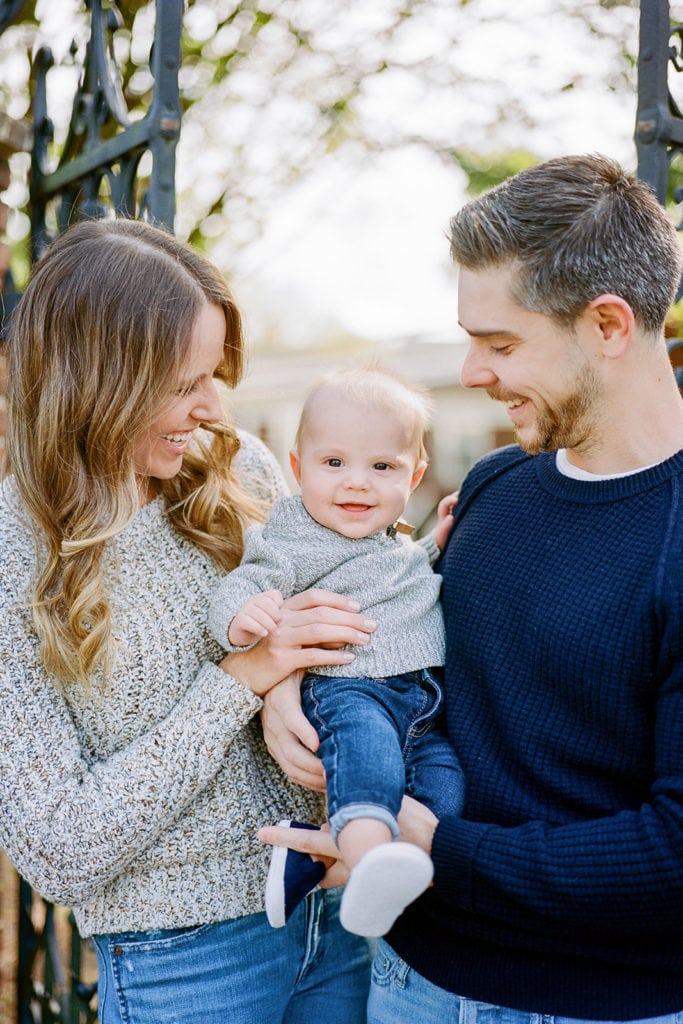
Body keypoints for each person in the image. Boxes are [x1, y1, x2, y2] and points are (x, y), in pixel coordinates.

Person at [258, 153, 683, 1023]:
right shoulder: (494, 485)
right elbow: (423, 668)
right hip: (410, 979)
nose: (474, 370)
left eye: (499, 342)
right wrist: (287, 686)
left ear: (607, 325)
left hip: (596, 1006)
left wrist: (440, 849)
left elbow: (674, 849)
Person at [0, 217, 376, 1024]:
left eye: (214, 374)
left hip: (334, 915)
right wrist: (241, 681)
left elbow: (327, 620)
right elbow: (59, 850)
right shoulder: (10, 551)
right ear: (96, 380)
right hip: (184, 962)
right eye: (182, 382)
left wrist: (290, 681)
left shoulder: (240, 469)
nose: (211, 407)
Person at [208, 367, 463, 938]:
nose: (357, 484)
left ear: (413, 475)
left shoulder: (387, 539)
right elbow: (246, 582)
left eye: (382, 467)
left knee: (444, 789)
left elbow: (397, 578)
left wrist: (434, 546)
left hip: (421, 703)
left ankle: (318, 865)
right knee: (369, 769)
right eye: (334, 464)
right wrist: (240, 618)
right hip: (350, 688)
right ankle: (372, 865)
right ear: (297, 469)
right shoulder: (292, 535)